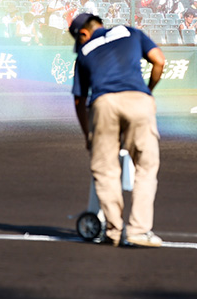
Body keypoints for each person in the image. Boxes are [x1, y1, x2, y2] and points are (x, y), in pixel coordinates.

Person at [70, 12, 165, 248]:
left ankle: (113, 231)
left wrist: (88, 136)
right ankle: (139, 231)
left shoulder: (84, 52)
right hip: (138, 100)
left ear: (83, 33)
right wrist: (147, 90)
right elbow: (159, 61)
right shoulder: (131, 32)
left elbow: (80, 100)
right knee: (145, 166)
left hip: (104, 104)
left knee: (105, 170)